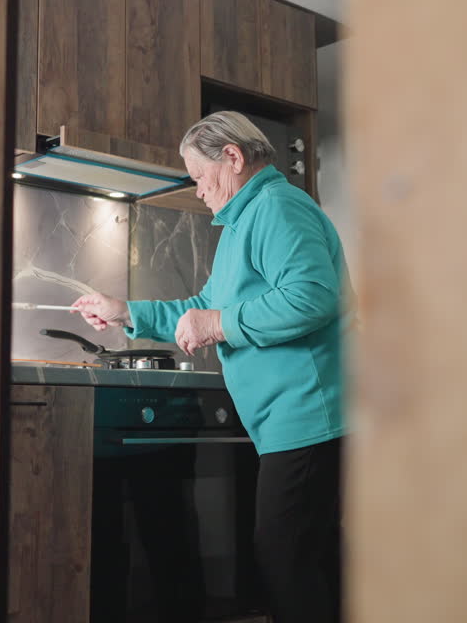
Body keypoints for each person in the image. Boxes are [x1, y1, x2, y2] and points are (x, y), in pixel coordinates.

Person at [72, 110, 352, 623]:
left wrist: (218, 325)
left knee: (285, 558)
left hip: (310, 414)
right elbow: (203, 306)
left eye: (200, 176)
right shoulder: (244, 222)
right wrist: (126, 312)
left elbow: (312, 298)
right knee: (309, 559)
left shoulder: (275, 208)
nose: (199, 191)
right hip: (291, 420)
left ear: (233, 157)